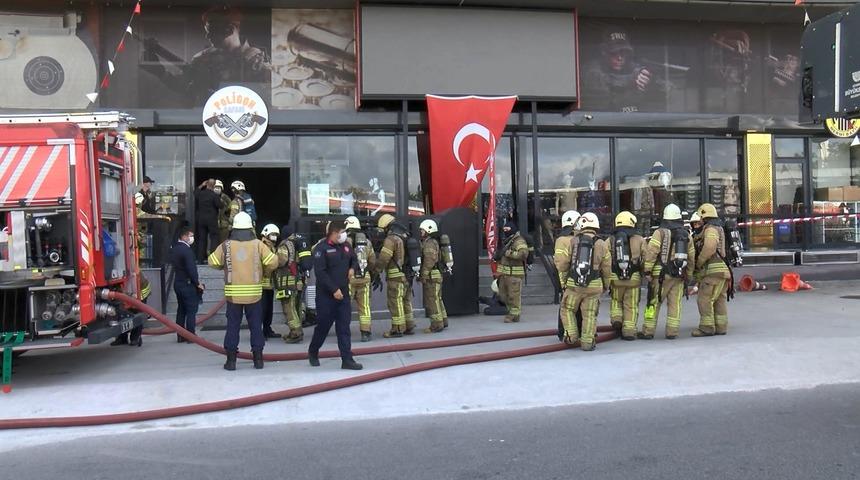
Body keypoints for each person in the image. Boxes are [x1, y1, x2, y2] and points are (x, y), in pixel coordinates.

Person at [142, 6, 270, 105]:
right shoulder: (202, 59)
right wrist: (160, 73)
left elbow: (270, 94)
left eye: (212, 31)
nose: (207, 36)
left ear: (230, 30)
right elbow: (186, 88)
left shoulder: (256, 60)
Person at [208, 212, 278, 370]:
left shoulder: (226, 245)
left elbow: (212, 262)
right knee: (255, 327)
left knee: (233, 327)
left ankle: (231, 362)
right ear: (250, 227)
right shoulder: (258, 245)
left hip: (233, 296)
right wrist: (263, 271)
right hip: (254, 295)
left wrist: (223, 265)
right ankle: (258, 361)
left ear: (234, 228)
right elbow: (273, 262)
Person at [308, 221, 363, 370]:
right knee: (323, 326)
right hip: (326, 296)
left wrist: (352, 268)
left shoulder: (345, 246)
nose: (344, 234)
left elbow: (354, 259)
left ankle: (347, 359)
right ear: (334, 233)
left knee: (344, 327)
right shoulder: (321, 249)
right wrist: (333, 290)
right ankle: (313, 351)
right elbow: (320, 273)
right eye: (342, 231)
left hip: (343, 294)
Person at [556, 212, 611, 351]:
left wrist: (565, 278)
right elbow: (607, 268)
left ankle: (571, 336)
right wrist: (606, 285)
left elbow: (562, 264)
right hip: (594, 287)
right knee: (590, 314)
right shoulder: (602, 244)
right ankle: (587, 343)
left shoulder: (573, 241)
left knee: (567, 309)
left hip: (574, 285)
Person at [640, 204, 695, 340]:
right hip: (678, 275)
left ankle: (648, 331)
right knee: (675, 304)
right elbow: (691, 257)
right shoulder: (686, 234)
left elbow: (652, 252)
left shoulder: (660, 232)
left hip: (661, 275)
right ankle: (672, 332)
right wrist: (688, 275)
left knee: (653, 302)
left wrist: (647, 271)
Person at [692, 203, 731, 337]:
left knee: (704, 299)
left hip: (713, 272)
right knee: (720, 299)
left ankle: (706, 328)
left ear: (704, 216)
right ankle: (721, 327)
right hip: (723, 271)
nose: (699, 221)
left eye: (700, 218)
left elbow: (710, 247)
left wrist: (699, 262)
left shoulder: (711, 229)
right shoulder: (719, 227)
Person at [607, 211, 646, 340]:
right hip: (633, 279)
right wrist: (645, 272)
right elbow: (646, 258)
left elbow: (605, 259)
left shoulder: (610, 239)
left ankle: (616, 319)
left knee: (616, 300)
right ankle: (629, 331)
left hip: (615, 278)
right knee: (631, 305)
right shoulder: (639, 239)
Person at [375, 213, 414, 338]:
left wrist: (377, 270)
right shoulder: (405, 236)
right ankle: (409, 326)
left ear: (386, 226)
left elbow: (384, 258)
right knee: (406, 301)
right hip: (408, 275)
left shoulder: (391, 239)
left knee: (395, 302)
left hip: (396, 277)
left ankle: (397, 329)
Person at [344, 216, 377, 342]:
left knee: (345, 306)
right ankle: (366, 333)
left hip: (348, 278)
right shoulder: (367, 242)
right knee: (365, 306)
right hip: (365, 277)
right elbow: (373, 261)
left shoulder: (344, 242)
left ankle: (344, 331)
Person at [170, 227, 203, 343]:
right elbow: (191, 269)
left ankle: (180, 335)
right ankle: (191, 335)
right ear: (184, 237)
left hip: (178, 283)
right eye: (190, 236)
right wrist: (197, 283)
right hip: (188, 284)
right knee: (191, 311)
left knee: (181, 310)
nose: (192, 238)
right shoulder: (187, 251)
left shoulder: (175, 249)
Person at [276, 225, 308, 344]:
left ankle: (295, 333)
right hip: (299, 281)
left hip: (288, 282)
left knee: (289, 308)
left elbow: (282, 260)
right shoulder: (297, 243)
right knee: (297, 307)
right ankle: (296, 331)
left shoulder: (285, 244)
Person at [553, 210, 580, 339]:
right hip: (581, 278)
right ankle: (581, 332)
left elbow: (560, 264)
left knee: (565, 307)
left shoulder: (561, 240)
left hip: (567, 278)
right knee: (581, 307)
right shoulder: (581, 238)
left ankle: (564, 333)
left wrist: (563, 284)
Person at [496, 219, 529, 323]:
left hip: (514, 275)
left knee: (513, 296)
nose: (505, 231)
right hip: (504, 274)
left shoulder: (519, 241)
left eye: (507, 229)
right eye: (504, 229)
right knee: (503, 296)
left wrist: (509, 253)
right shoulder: (506, 240)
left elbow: (523, 254)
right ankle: (511, 312)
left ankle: (514, 315)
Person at [418, 218, 447, 334]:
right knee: (437, 299)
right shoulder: (434, 241)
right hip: (436, 275)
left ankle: (436, 325)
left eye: (422, 230)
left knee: (432, 300)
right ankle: (443, 320)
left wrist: (423, 275)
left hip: (432, 276)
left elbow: (429, 261)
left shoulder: (429, 243)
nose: (421, 232)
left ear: (428, 230)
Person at [259, 224, 280, 339]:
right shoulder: (262, 246)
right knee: (262, 310)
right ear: (266, 234)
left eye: (276, 235)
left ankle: (267, 329)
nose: (274, 237)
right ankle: (260, 332)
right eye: (272, 234)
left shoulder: (272, 246)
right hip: (262, 284)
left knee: (269, 310)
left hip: (270, 285)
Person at [195, 179, 222, 263]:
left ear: (206, 184)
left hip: (201, 220)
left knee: (202, 239)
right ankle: (213, 259)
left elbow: (195, 192)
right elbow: (220, 205)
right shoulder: (214, 195)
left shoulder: (201, 193)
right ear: (214, 186)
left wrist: (201, 185)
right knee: (214, 238)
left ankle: (200, 259)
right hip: (212, 220)